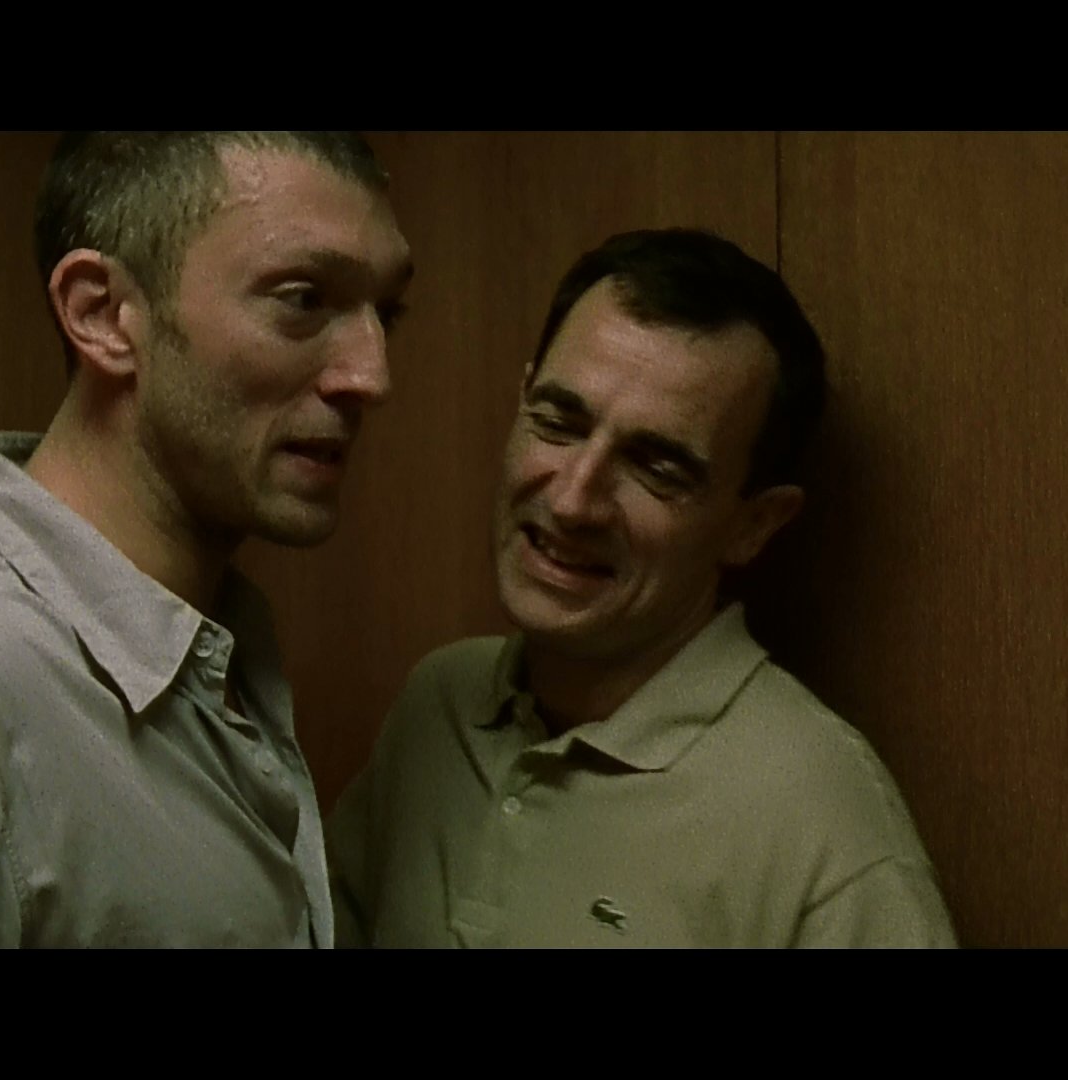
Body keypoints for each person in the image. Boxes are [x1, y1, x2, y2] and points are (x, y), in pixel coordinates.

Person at [0, 131, 415, 946]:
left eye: (387, 313)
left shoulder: (217, 662)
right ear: (101, 314)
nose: (371, 375)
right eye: (303, 299)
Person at [328, 227, 955, 947]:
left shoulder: (820, 820)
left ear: (753, 524)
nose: (572, 501)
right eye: (558, 422)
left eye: (656, 467)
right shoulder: (437, 709)